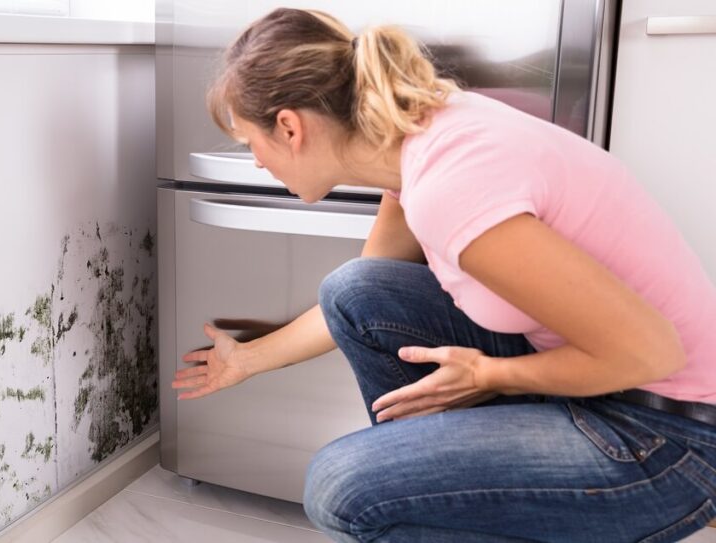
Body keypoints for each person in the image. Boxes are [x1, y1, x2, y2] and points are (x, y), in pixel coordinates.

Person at [170, 7, 716, 542]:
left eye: (250, 143)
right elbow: (359, 301)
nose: (258, 163)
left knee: (341, 489)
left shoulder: (450, 188)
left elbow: (652, 354)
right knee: (356, 290)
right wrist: (248, 359)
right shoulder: (416, 142)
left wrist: (488, 376)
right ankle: (447, 496)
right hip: (603, 381)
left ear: (289, 127)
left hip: (666, 437)